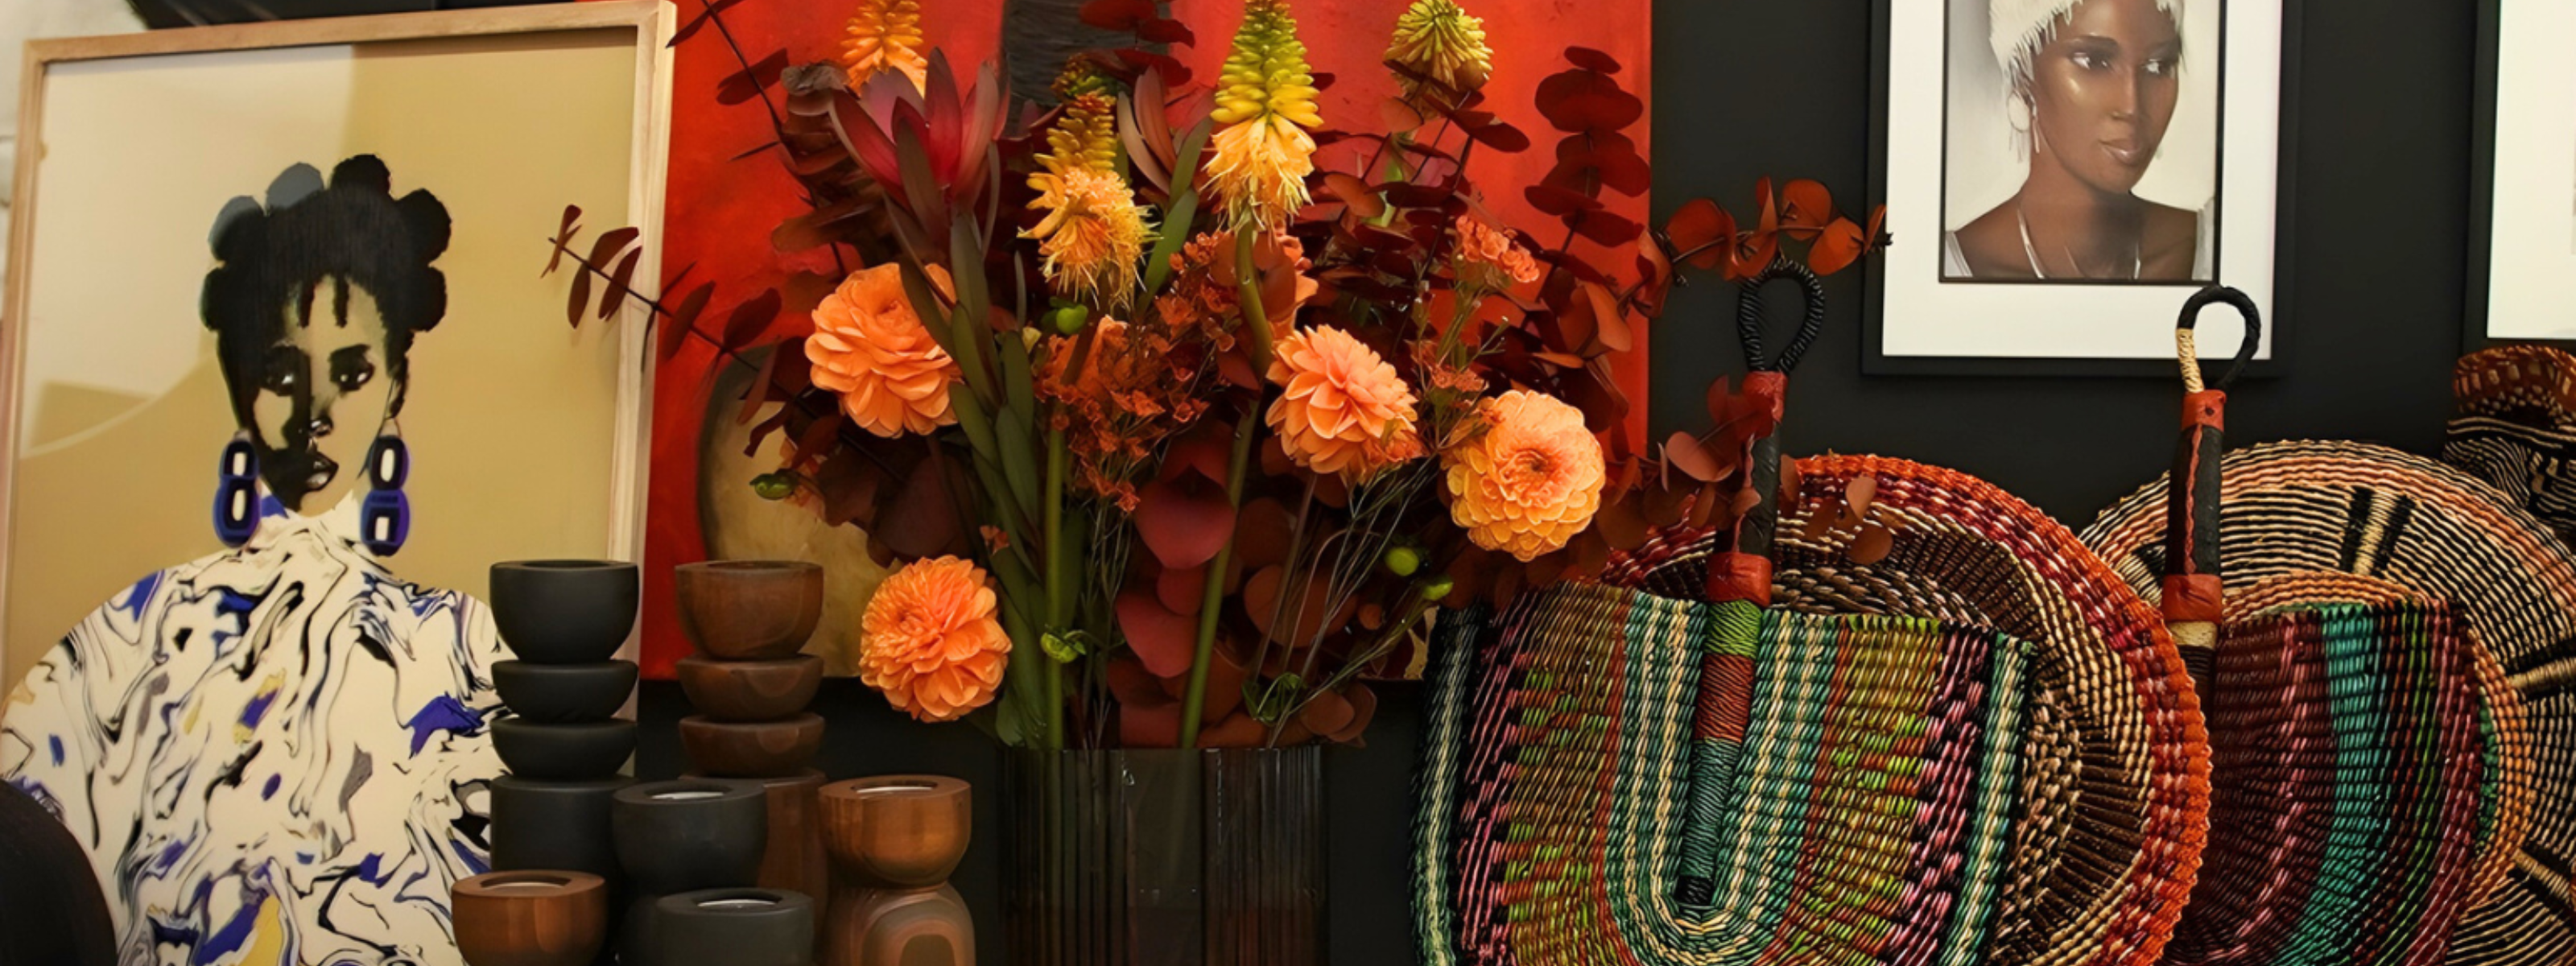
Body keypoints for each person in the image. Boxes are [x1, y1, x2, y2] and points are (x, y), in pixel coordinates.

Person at [0, 155, 505, 965]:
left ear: (397, 385)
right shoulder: (124, 648)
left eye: (351, 371)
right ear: (240, 388)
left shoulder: (471, 654)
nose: (316, 413)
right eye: (280, 372)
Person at [1946, 0, 2212, 282]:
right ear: (2024, 79)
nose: (2132, 106)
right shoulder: (1946, 269)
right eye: (2094, 62)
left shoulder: (2215, 249)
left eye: (2158, 66)